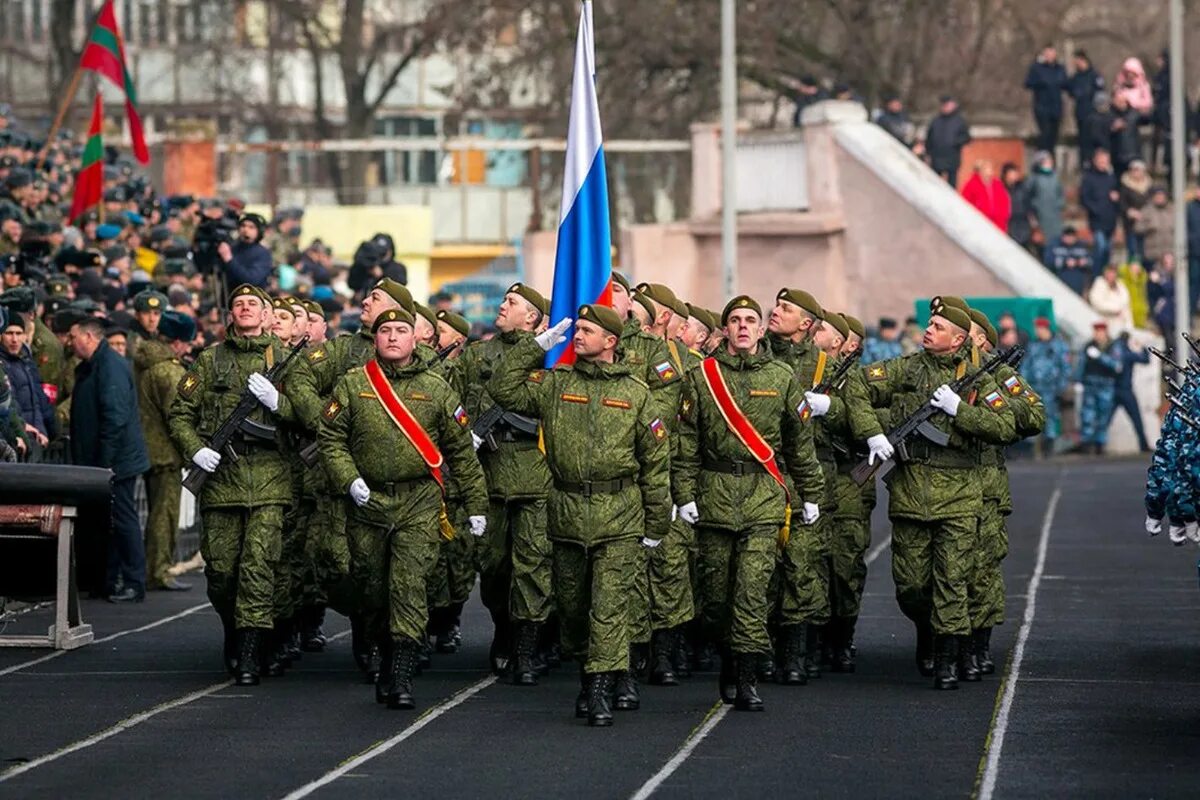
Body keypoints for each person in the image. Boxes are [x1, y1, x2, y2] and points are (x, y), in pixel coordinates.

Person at [488, 304, 670, 726]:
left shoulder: (635, 393)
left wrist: (656, 524)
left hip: (618, 514)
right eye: (578, 329)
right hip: (567, 513)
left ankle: (598, 690)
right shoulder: (556, 385)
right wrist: (536, 347)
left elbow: (655, 465)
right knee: (572, 607)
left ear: (611, 341)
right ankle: (591, 670)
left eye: (587, 329)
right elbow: (504, 389)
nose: (578, 334)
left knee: (608, 607)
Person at [320, 305, 488, 711]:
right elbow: (331, 438)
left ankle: (401, 674)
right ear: (374, 339)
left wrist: (477, 503)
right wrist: (349, 479)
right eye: (385, 331)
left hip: (419, 502)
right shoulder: (352, 385)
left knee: (409, 585)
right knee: (373, 587)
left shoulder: (437, 388)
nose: (393, 337)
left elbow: (460, 452)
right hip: (369, 502)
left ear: (416, 339)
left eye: (401, 330)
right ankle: (379, 650)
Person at [674, 296, 825, 710]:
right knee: (718, 597)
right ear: (724, 330)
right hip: (714, 496)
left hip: (762, 499)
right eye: (735, 320)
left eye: (751, 320)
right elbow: (686, 444)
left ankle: (746, 677)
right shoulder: (702, 377)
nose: (743, 326)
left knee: (752, 591)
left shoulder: (782, 377)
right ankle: (729, 658)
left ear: (761, 330)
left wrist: (811, 494)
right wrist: (683, 494)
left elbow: (800, 445)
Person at [863, 299, 1015, 690]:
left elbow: (1006, 426)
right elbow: (858, 389)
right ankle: (927, 633)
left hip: (961, 496)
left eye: (938, 326)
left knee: (952, 579)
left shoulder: (981, 375)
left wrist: (958, 410)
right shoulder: (908, 367)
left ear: (959, 339)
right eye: (929, 323)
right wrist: (874, 432)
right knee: (912, 585)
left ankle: (947, 659)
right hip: (912, 492)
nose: (928, 330)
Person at [168, 284, 298, 685]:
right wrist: (196, 450)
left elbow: (311, 417)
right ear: (231, 315)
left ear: (266, 314)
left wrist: (279, 402)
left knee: (258, 568)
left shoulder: (288, 360)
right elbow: (179, 414)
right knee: (223, 573)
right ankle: (235, 629)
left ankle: (250, 651)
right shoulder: (209, 361)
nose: (245, 309)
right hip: (222, 481)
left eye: (252, 305)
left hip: (269, 479)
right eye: (238, 304)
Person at [456, 283, 555, 683]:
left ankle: (527, 649)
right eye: (504, 301)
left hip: (535, 472)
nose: (502, 306)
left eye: (512, 303)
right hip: (490, 472)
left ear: (532, 317)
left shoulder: (551, 357)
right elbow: (456, 404)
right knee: (494, 565)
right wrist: (467, 434)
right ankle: (503, 629)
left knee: (532, 565)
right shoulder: (477, 355)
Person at [965, 309, 1044, 678]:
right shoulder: (931, 373)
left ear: (982, 341)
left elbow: (1033, 417)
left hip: (984, 486)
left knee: (981, 570)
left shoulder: (1001, 376)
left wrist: (992, 400)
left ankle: (977, 644)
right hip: (932, 486)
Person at [70, 315, 150, 603]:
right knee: (110, 520)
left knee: (124, 519)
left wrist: (104, 464)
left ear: (89, 338)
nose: (70, 342)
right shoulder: (95, 365)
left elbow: (114, 418)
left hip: (116, 461)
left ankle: (134, 581)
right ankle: (108, 580)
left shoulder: (110, 367)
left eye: (74, 336)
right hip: (107, 459)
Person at [136, 310, 195, 592]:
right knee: (165, 514)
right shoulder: (170, 371)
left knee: (154, 512)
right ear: (178, 342)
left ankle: (150, 568)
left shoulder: (143, 361)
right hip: (166, 452)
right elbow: (180, 415)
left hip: (144, 447)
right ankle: (158, 570)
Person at [0, 314, 55, 457]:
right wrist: (23, 428)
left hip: (35, 437)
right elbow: (11, 404)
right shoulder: (3, 365)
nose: (14, 339)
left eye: (19, 333)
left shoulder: (25, 362)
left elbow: (36, 402)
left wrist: (41, 430)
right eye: (9, 333)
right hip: (18, 438)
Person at [1023, 318, 1072, 455]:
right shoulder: (1033, 345)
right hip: (1034, 388)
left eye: (1040, 329)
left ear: (1046, 329)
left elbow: (1065, 368)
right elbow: (1026, 366)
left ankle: (1049, 446)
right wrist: (1024, 385)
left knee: (1050, 415)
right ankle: (1032, 448)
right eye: (1037, 329)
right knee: (1033, 415)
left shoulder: (1059, 345)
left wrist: (1061, 387)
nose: (1038, 332)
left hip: (1051, 388)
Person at [1075, 321, 1121, 455]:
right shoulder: (1088, 346)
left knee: (1103, 415)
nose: (1097, 335)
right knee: (1087, 415)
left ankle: (1100, 443)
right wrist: (1078, 380)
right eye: (1096, 332)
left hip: (1105, 384)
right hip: (1090, 383)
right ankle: (1086, 443)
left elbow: (1116, 365)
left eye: (1100, 332)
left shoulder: (1112, 346)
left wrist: (1100, 357)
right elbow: (1081, 364)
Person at [1108, 332, 1152, 452]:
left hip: (1113, 389)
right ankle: (1143, 445)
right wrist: (1142, 347)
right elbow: (1145, 360)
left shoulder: (1112, 351)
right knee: (1136, 420)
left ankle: (1096, 445)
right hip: (1126, 390)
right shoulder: (1127, 353)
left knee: (1106, 420)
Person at [1079, 149, 1119, 274]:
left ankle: (1104, 275)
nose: (1104, 164)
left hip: (1110, 220)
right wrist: (1095, 209)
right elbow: (1084, 198)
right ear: (1095, 161)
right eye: (1101, 161)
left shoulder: (1111, 177)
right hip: (1097, 220)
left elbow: (1117, 195)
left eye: (1106, 161)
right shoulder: (1089, 178)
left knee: (1107, 251)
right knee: (1100, 248)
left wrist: (1116, 198)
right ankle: (1095, 275)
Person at [1024, 45, 1069, 152]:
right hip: (1042, 107)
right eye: (1047, 53)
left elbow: (1066, 84)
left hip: (1056, 107)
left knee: (1053, 136)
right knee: (1045, 134)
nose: (1050, 56)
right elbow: (1028, 83)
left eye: (1052, 53)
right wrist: (1041, 83)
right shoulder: (1037, 68)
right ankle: (1042, 157)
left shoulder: (1059, 68)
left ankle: (1051, 161)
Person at [216, 213, 273, 290]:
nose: (245, 230)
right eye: (243, 226)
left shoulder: (262, 253)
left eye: (251, 227)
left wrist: (229, 260)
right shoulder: (232, 248)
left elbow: (251, 280)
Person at [1068, 51, 1106, 163]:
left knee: (1094, 139)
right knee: (1082, 140)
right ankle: (1084, 162)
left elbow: (1100, 93)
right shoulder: (1076, 77)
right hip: (1081, 112)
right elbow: (1071, 92)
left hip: (1093, 113)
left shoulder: (1094, 76)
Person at [925, 95, 971, 188]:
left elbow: (966, 137)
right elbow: (929, 138)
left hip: (952, 157)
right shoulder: (936, 121)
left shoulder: (959, 121)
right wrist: (928, 152)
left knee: (952, 184)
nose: (946, 107)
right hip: (936, 157)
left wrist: (955, 142)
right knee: (935, 184)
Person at [1026, 151, 1065, 258]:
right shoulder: (1033, 179)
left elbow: (1060, 194)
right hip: (1040, 218)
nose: (1048, 163)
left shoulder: (1055, 178)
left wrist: (1059, 204)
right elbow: (1028, 198)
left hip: (1055, 218)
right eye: (1045, 161)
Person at [1119, 160, 1153, 264]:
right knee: (1133, 251)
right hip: (1131, 224)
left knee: (1146, 252)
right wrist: (1129, 211)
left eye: (1139, 170)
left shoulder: (1150, 185)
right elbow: (1121, 203)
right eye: (1134, 170)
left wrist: (1146, 213)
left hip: (1147, 223)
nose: (1136, 173)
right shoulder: (1125, 185)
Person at [961, 161, 1011, 230]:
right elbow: (965, 205)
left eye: (991, 169)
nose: (989, 173)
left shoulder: (998, 185)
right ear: (979, 172)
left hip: (997, 226)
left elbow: (1005, 204)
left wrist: (1003, 221)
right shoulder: (971, 186)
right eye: (985, 169)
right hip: (978, 225)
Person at [1046, 226, 1093, 295]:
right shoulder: (1055, 246)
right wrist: (1065, 262)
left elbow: (1091, 261)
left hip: (1077, 282)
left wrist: (1084, 262)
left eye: (1072, 237)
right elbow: (1048, 262)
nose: (1070, 239)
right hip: (1060, 280)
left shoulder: (1082, 247)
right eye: (1068, 236)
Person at [1088, 263, 1134, 333]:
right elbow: (1097, 303)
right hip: (1105, 324)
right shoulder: (1099, 284)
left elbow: (1126, 306)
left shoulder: (1120, 286)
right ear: (1105, 273)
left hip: (1122, 324)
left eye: (1113, 273)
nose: (1111, 275)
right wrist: (1116, 309)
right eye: (1109, 272)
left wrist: (1130, 326)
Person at [1139, 186, 1174, 270]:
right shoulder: (1146, 210)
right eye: (1157, 196)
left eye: (1162, 196)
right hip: (1153, 252)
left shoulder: (1172, 210)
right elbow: (1138, 227)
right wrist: (1148, 227)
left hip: (1170, 253)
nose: (1160, 198)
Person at [1001, 163, 1034, 251]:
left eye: (1015, 174)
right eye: (1011, 174)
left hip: (1023, 225)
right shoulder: (1001, 189)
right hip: (1008, 224)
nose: (1013, 176)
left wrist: (1033, 226)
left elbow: (1029, 207)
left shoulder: (1023, 189)